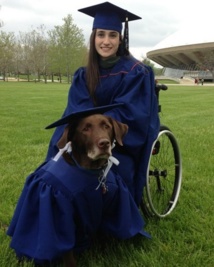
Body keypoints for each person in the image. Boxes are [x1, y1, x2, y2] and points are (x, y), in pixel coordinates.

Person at [46, 1, 160, 206]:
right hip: (87, 138)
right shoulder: (83, 75)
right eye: (101, 34)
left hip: (117, 141)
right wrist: (83, 137)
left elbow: (131, 112)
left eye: (112, 35)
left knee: (118, 170)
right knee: (56, 163)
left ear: (121, 39)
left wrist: (101, 132)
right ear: (93, 38)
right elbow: (77, 110)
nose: (106, 41)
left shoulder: (136, 72)